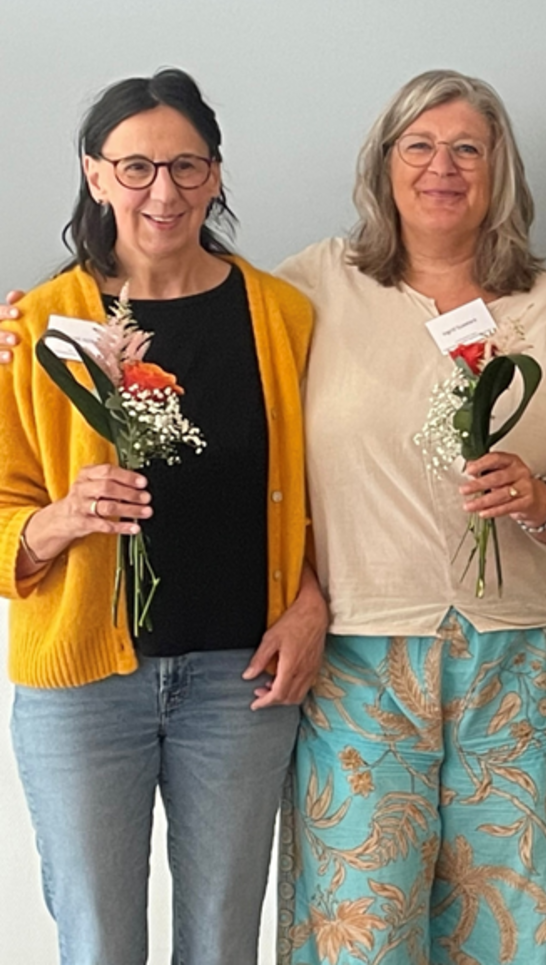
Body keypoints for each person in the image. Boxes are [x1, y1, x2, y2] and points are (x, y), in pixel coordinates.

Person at [268, 71, 546, 964]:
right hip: (358, 658)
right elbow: (193, 331)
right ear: (384, 164)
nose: (441, 167)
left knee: (516, 931)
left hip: (521, 659)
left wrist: (537, 500)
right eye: (418, 145)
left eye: (467, 149)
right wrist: (40, 324)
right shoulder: (315, 285)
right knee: (360, 930)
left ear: (500, 171)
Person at [0, 69, 324, 965]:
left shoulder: (283, 317)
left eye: (186, 166)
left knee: (222, 943)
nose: (163, 191)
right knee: (98, 942)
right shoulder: (38, 325)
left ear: (215, 174)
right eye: (135, 167)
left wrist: (311, 601)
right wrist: (61, 519)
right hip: (82, 688)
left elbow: (326, 495)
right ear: (95, 173)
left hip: (240, 680)